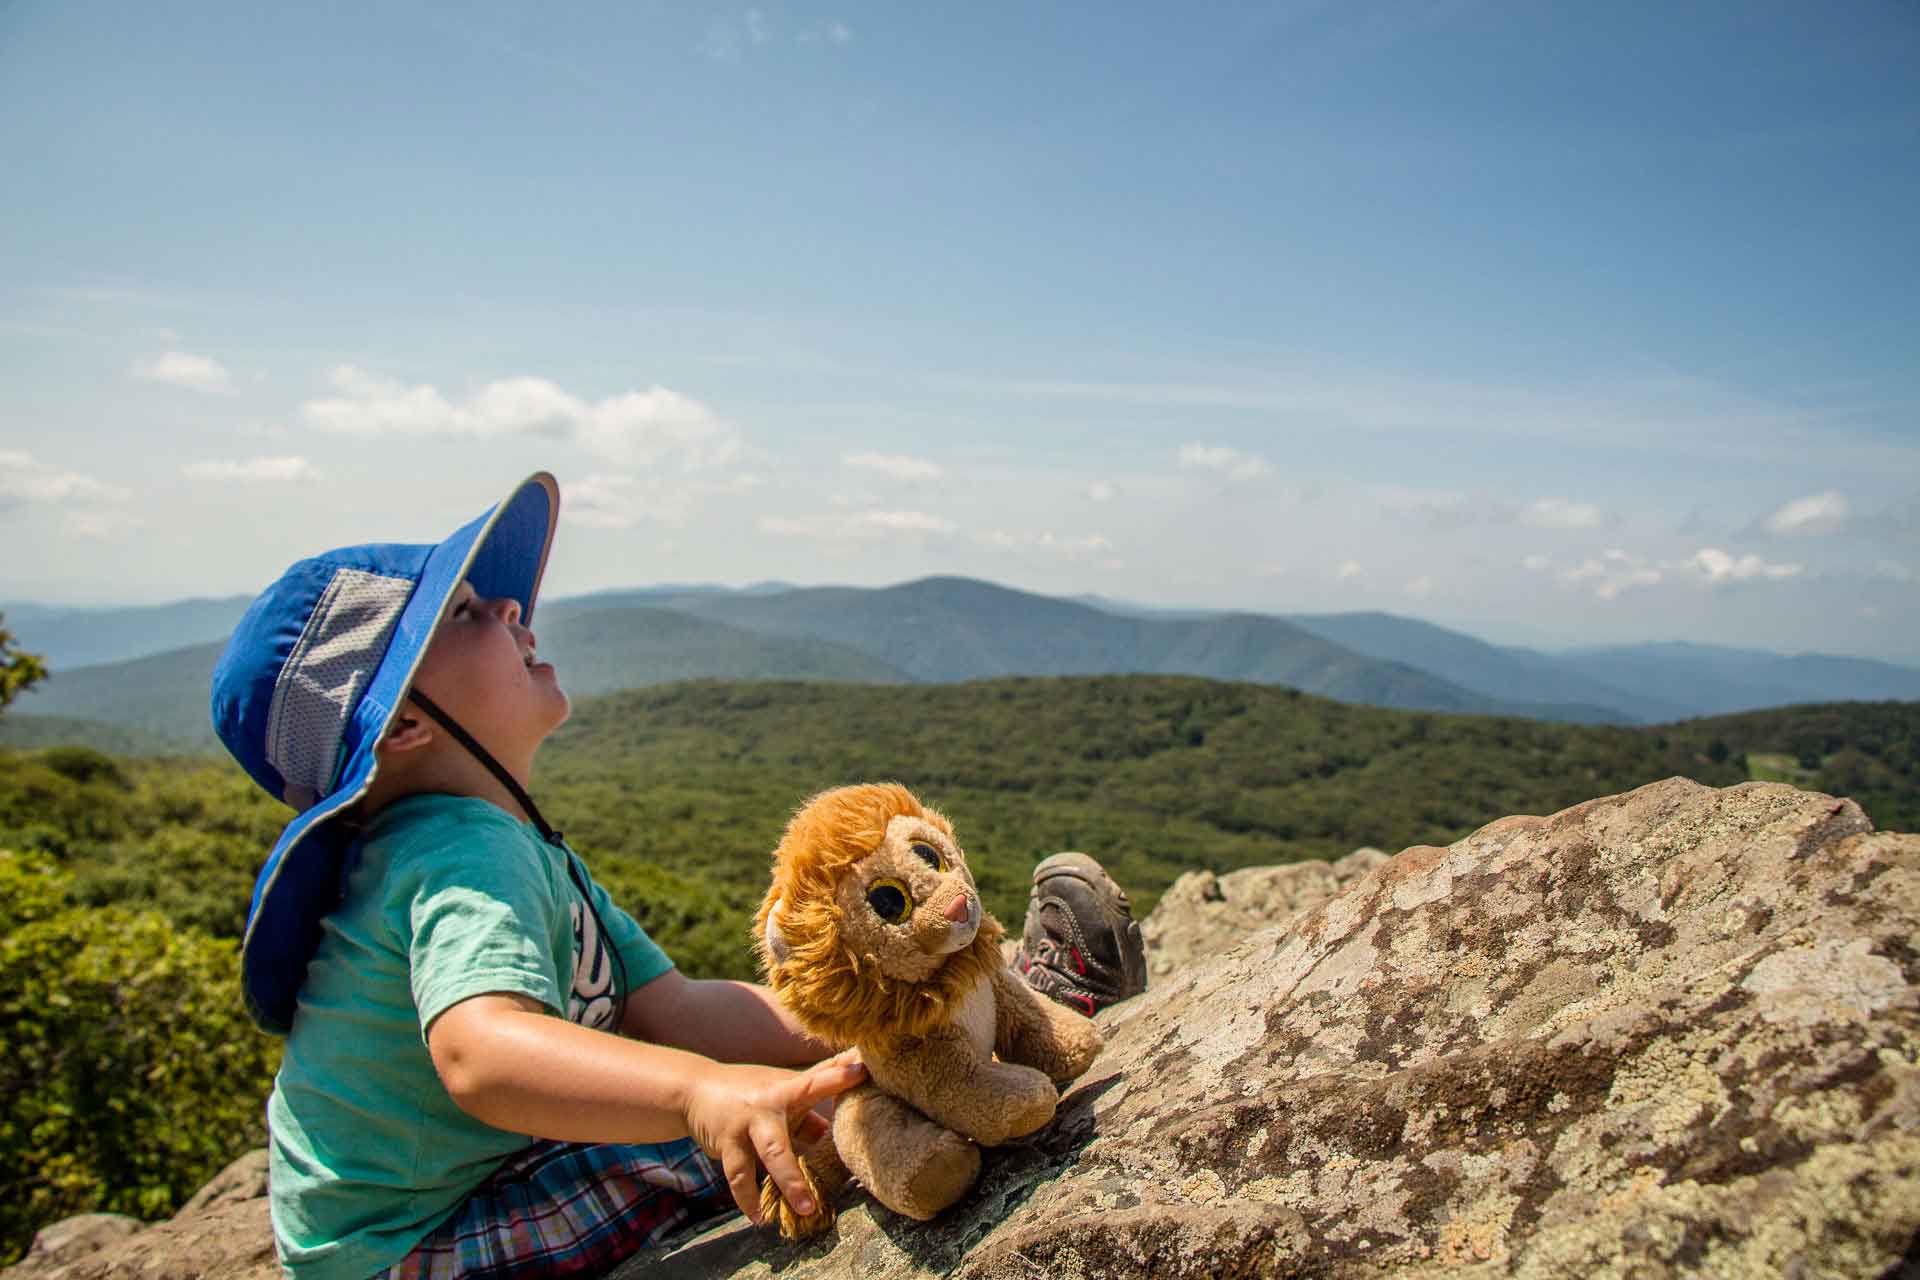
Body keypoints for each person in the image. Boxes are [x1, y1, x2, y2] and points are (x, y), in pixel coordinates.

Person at [210, 472, 1145, 1280]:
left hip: (432, 1217)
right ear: (405, 726)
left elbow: (673, 1007)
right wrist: (704, 1094)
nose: (511, 612)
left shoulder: (514, 845)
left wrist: (876, 1022)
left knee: (792, 1079)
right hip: (412, 1250)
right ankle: (981, 1070)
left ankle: (976, 1014)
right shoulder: (457, 853)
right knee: (772, 1131)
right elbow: (479, 1054)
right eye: (463, 614)